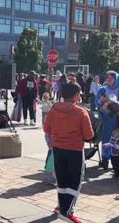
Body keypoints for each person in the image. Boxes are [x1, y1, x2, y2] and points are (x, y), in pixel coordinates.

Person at [43, 82, 94, 223]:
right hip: (75, 150)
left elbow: (46, 128)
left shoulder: (53, 109)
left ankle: (61, 207)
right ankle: (67, 211)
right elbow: (89, 135)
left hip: (58, 149)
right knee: (75, 180)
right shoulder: (81, 112)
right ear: (76, 96)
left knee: (62, 178)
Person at [95, 71, 119, 170]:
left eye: (111, 77)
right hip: (105, 118)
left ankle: (116, 160)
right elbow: (96, 102)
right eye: (107, 77)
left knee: (117, 138)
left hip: (117, 119)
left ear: (116, 79)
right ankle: (105, 159)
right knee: (105, 138)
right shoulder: (102, 89)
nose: (109, 79)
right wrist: (100, 101)